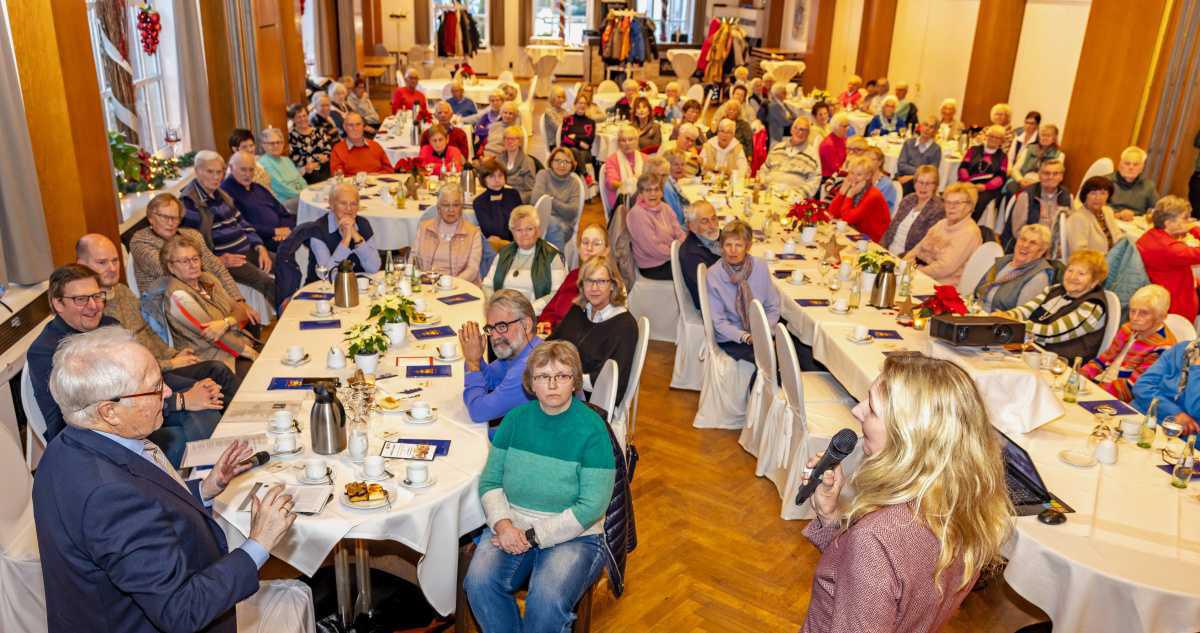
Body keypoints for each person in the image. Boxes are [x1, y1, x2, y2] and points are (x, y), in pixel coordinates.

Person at [32, 326, 297, 633]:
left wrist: (206, 488)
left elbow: (150, 510)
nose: (169, 393)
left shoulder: (68, 447)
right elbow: (181, 611)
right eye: (155, 387)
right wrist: (260, 542)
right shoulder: (108, 495)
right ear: (110, 411)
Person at [800, 353, 1011, 632]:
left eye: (873, 409)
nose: (857, 410)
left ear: (909, 436)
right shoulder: (965, 510)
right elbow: (880, 585)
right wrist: (830, 516)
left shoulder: (876, 538)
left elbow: (875, 562)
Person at [464, 341, 614, 632]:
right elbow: (491, 481)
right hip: (514, 526)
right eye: (543, 376)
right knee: (479, 583)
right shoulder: (515, 420)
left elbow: (592, 506)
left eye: (562, 375)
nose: (553, 384)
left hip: (577, 535)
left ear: (575, 381)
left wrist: (532, 536)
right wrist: (504, 526)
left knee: (546, 600)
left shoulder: (592, 428)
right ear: (531, 383)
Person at [26, 267, 223, 465]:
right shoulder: (45, 352)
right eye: (81, 299)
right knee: (185, 438)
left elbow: (144, 375)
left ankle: (208, 478)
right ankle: (200, 484)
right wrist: (180, 400)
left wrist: (192, 388)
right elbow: (70, 420)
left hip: (136, 411)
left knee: (205, 408)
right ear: (58, 303)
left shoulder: (108, 325)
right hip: (102, 439)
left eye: (97, 296)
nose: (94, 306)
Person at [76, 235, 242, 404]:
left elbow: (148, 331)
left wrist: (174, 354)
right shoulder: (92, 311)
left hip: (160, 366)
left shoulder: (121, 290)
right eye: (102, 263)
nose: (112, 268)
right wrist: (170, 363)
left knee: (216, 373)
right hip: (141, 382)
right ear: (82, 265)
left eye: (115, 260)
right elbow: (126, 366)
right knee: (216, 372)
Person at [180, 150, 276, 306]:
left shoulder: (221, 194)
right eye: (210, 171)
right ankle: (286, 320)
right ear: (197, 171)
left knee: (286, 264)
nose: (216, 177)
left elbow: (243, 223)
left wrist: (260, 247)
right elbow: (190, 246)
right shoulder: (189, 203)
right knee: (267, 282)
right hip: (228, 260)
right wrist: (218, 260)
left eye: (219, 172)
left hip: (248, 249)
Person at [161, 235, 259, 376]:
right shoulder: (177, 295)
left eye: (195, 258)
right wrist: (252, 354)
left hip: (239, 345)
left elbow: (240, 311)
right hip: (214, 360)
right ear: (171, 267)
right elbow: (215, 336)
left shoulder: (208, 279)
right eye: (184, 261)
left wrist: (226, 322)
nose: (192, 264)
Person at [548, 255, 639, 404]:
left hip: (591, 401)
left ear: (613, 285)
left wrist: (564, 378)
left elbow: (612, 383)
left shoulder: (625, 326)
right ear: (582, 285)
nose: (594, 288)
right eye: (589, 281)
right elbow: (553, 341)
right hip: (561, 386)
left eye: (601, 281)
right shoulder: (578, 310)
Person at [131, 193, 247, 308]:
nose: (170, 223)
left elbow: (216, 267)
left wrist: (238, 300)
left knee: (247, 319)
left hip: (206, 299)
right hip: (167, 308)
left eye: (175, 218)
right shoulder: (141, 241)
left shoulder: (192, 236)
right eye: (165, 217)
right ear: (151, 218)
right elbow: (170, 271)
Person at [998, 249, 1110, 361]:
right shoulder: (1055, 289)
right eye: (1070, 270)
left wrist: (1013, 323)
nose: (1072, 277)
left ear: (1094, 281)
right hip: (1033, 352)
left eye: (1081, 274)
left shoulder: (1093, 306)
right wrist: (1004, 315)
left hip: (1061, 364)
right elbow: (1026, 309)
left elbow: (1051, 333)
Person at [459, 289, 545, 424]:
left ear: (526, 325)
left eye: (501, 326)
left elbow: (478, 412)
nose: (494, 336)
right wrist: (476, 358)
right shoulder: (521, 349)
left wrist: (472, 362)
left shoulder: (529, 367)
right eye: (490, 328)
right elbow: (491, 379)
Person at [1080, 285, 1176, 403]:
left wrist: (1092, 394)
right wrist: (1080, 376)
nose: (1134, 318)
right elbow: (1104, 359)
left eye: (1143, 313)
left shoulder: (1163, 348)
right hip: (1101, 385)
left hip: (1121, 400)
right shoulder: (1128, 328)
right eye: (1132, 311)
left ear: (1161, 316)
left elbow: (1131, 388)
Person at [707, 219, 780, 363]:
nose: (733, 250)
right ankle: (765, 385)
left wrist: (763, 333)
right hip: (733, 337)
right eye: (728, 245)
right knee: (767, 361)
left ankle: (770, 385)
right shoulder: (714, 274)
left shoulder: (760, 267)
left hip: (761, 332)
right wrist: (747, 337)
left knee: (792, 355)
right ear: (721, 247)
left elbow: (772, 307)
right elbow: (719, 321)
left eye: (738, 245)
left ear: (748, 247)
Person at [483, 205, 566, 315]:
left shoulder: (551, 255)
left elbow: (558, 293)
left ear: (538, 230)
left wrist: (528, 310)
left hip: (535, 316)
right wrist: (496, 306)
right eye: (519, 230)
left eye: (529, 229)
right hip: (502, 314)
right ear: (512, 232)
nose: (524, 234)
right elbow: (487, 285)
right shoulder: (504, 253)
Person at [903, 183, 982, 286]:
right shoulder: (942, 223)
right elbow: (918, 248)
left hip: (940, 284)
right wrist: (905, 264)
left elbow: (944, 268)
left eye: (957, 203)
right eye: (948, 202)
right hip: (920, 274)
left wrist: (914, 272)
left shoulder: (969, 232)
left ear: (969, 206)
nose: (951, 207)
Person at [1137, 196, 1200, 322]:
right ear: (1168, 223)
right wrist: (1194, 229)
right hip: (1176, 307)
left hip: (1162, 296)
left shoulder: (1150, 235)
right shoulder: (1171, 249)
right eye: (1185, 218)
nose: (1189, 221)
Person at [537, 224, 608, 333]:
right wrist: (546, 323)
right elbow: (550, 309)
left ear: (606, 250)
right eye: (585, 242)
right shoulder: (573, 275)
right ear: (579, 248)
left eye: (596, 243)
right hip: (553, 336)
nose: (589, 248)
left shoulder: (606, 284)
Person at [301, 182, 381, 278]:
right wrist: (346, 240)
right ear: (331, 204)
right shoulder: (318, 230)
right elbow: (328, 275)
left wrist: (356, 236)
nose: (349, 208)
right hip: (322, 289)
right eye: (343, 203)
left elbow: (374, 267)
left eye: (353, 204)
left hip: (359, 285)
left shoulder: (363, 224)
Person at [222, 150, 295, 251]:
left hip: (280, 233)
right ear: (231, 168)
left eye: (251, 170)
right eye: (243, 170)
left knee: (309, 228)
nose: (248, 174)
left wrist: (286, 229)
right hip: (259, 240)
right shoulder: (226, 192)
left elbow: (282, 212)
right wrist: (274, 232)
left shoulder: (258, 187)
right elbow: (240, 225)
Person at [973, 224, 1055, 312]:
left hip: (997, 322)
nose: (1025, 245)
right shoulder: (1002, 262)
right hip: (976, 312)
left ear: (1041, 251)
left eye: (1033, 243)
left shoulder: (1039, 277)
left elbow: (1020, 315)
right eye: (1023, 239)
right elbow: (978, 291)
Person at [413, 181, 482, 284]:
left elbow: (472, 269)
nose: (451, 210)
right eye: (446, 205)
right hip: (427, 285)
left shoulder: (473, 233)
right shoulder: (424, 228)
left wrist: (450, 284)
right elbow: (413, 260)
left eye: (456, 205)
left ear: (462, 207)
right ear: (438, 207)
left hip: (460, 287)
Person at [1133, 337, 1200, 436]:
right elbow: (1142, 386)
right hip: (1142, 413)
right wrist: (1175, 412)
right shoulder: (1183, 348)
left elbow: (1194, 409)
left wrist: (1196, 368)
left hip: (1182, 436)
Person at [627, 172, 686, 281]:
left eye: (656, 189)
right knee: (693, 269)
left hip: (671, 256)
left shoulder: (665, 207)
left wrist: (681, 249)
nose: (653, 194)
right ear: (640, 194)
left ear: (661, 192)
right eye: (648, 190)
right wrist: (677, 253)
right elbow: (653, 249)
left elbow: (679, 232)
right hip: (654, 266)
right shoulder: (637, 214)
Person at [1005, 159, 1070, 250]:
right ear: (1039, 175)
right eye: (1046, 173)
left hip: (1055, 248)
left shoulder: (1066, 196)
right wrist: (1040, 246)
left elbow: (1069, 227)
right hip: (1030, 247)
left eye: (1055, 173)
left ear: (1061, 177)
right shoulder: (1026, 196)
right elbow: (1018, 231)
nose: (1051, 177)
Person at [882, 165, 945, 255]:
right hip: (888, 251)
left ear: (935, 186)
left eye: (928, 183)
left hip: (909, 258)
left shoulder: (938, 209)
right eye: (920, 182)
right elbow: (890, 229)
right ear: (915, 183)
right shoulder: (909, 199)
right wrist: (881, 249)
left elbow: (924, 244)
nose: (923, 187)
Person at [829, 155, 891, 243]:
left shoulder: (872, 195)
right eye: (851, 173)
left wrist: (849, 195)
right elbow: (833, 213)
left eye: (859, 175)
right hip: (855, 232)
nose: (853, 177)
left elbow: (847, 218)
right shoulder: (853, 187)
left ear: (868, 176)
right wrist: (842, 193)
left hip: (873, 240)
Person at [532, 147, 583, 252]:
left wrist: (550, 200)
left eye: (566, 162)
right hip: (540, 221)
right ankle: (557, 265)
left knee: (554, 225)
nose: (562, 165)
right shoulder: (543, 175)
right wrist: (561, 208)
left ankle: (556, 265)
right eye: (558, 161)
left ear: (572, 165)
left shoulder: (574, 183)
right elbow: (535, 200)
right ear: (551, 161)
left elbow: (572, 212)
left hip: (564, 225)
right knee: (552, 224)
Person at [957, 125, 1010, 219]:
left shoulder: (1003, 157)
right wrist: (967, 182)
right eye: (991, 136)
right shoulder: (973, 150)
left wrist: (985, 186)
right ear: (986, 136)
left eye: (997, 138)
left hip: (987, 188)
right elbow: (963, 167)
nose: (993, 139)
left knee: (980, 200)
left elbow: (1001, 177)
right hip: (967, 182)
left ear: (1001, 141)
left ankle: (970, 223)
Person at [1063, 176, 1123, 258]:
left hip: (1113, 259)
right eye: (1093, 193)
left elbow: (1117, 236)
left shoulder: (1107, 211)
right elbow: (1079, 253)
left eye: (1103, 193)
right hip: (1092, 265)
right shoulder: (1078, 219)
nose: (1098, 198)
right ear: (1085, 195)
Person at [763, 117, 821, 199]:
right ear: (791, 130)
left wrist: (800, 195)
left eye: (803, 130)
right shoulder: (777, 148)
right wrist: (763, 183)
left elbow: (815, 179)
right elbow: (764, 168)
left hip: (792, 197)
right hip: (769, 192)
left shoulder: (812, 155)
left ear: (808, 134)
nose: (799, 132)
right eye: (796, 128)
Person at [679, 201, 723, 309]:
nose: (712, 225)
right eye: (705, 221)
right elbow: (712, 289)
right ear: (692, 226)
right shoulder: (692, 254)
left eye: (714, 218)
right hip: (715, 307)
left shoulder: (716, 237)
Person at [1005, 123, 1064, 196]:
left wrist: (1035, 183)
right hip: (1022, 179)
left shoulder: (1059, 155)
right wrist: (1021, 180)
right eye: (1042, 135)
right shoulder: (1029, 149)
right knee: (1011, 189)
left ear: (1054, 138)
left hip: (1042, 184)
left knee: (1030, 194)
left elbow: (1055, 177)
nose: (1044, 138)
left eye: (1048, 136)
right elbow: (1015, 169)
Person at [474, 157, 524, 241]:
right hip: (494, 244)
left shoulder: (513, 194)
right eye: (491, 176)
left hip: (517, 240)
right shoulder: (479, 202)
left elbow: (521, 220)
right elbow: (493, 230)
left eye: (500, 175)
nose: (497, 180)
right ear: (484, 180)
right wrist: (496, 202)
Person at [257, 127, 306, 211]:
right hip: (284, 203)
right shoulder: (263, 163)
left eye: (279, 142)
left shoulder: (286, 160)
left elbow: (300, 179)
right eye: (271, 143)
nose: (276, 146)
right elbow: (281, 187)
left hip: (299, 196)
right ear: (263, 145)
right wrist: (304, 195)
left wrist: (307, 191)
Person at [329, 112, 394, 176]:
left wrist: (376, 176)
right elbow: (339, 178)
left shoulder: (375, 145)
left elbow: (389, 170)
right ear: (344, 127)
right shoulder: (337, 149)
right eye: (350, 125)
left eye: (358, 124)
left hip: (378, 184)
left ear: (363, 126)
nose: (355, 128)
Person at [287, 102, 334, 184]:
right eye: (298, 117)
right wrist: (317, 159)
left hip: (325, 169)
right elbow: (295, 158)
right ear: (292, 119)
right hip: (307, 172)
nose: (302, 119)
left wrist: (320, 159)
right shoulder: (291, 137)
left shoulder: (319, 131)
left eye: (304, 116)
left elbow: (328, 150)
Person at [1108, 146, 1161, 219]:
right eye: (1127, 163)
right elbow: (1097, 208)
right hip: (1111, 220)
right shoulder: (1106, 181)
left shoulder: (1149, 186)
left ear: (1142, 168)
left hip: (1136, 225)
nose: (1131, 167)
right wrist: (1118, 215)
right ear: (1120, 165)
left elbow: (1156, 211)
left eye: (1136, 164)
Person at [895, 115, 942, 195]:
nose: (927, 129)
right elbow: (901, 165)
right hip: (903, 177)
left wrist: (912, 177)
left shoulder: (936, 149)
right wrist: (920, 172)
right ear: (920, 126)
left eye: (931, 127)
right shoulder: (909, 143)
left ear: (935, 131)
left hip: (923, 182)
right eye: (925, 125)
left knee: (909, 187)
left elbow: (932, 172)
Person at [603, 124, 646, 209]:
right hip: (621, 202)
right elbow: (611, 183)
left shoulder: (645, 158)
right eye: (623, 140)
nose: (627, 143)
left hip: (644, 199)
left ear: (637, 141)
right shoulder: (612, 160)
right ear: (618, 143)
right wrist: (630, 185)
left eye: (630, 139)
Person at [560, 93, 596, 180]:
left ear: (587, 106)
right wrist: (580, 142)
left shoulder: (591, 122)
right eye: (580, 103)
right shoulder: (568, 120)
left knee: (580, 153)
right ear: (575, 105)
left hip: (586, 153)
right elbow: (564, 139)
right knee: (574, 151)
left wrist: (574, 137)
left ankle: (576, 182)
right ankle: (585, 176)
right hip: (570, 151)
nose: (582, 105)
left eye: (584, 103)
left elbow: (590, 140)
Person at [498, 125, 536, 204]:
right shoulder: (498, 160)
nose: (510, 141)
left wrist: (516, 199)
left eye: (513, 139)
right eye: (507, 138)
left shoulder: (528, 162)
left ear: (519, 142)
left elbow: (530, 191)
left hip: (518, 200)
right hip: (499, 196)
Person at [467, 91, 505, 157]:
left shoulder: (505, 115)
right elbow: (477, 130)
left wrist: (485, 129)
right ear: (489, 102)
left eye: (497, 100)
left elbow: (502, 132)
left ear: (502, 101)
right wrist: (491, 130)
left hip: (499, 144)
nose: (495, 103)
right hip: (484, 144)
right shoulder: (486, 115)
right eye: (492, 101)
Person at [865, 145, 899, 213]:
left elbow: (882, 210)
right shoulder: (861, 178)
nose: (868, 162)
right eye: (865, 159)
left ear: (880, 162)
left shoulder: (886, 184)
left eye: (872, 159)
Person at [819, 112, 851, 177]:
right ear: (836, 127)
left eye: (848, 125)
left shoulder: (842, 138)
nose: (848, 128)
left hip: (842, 170)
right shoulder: (828, 145)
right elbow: (836, 169)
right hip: (830, 177)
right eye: (845, 126)